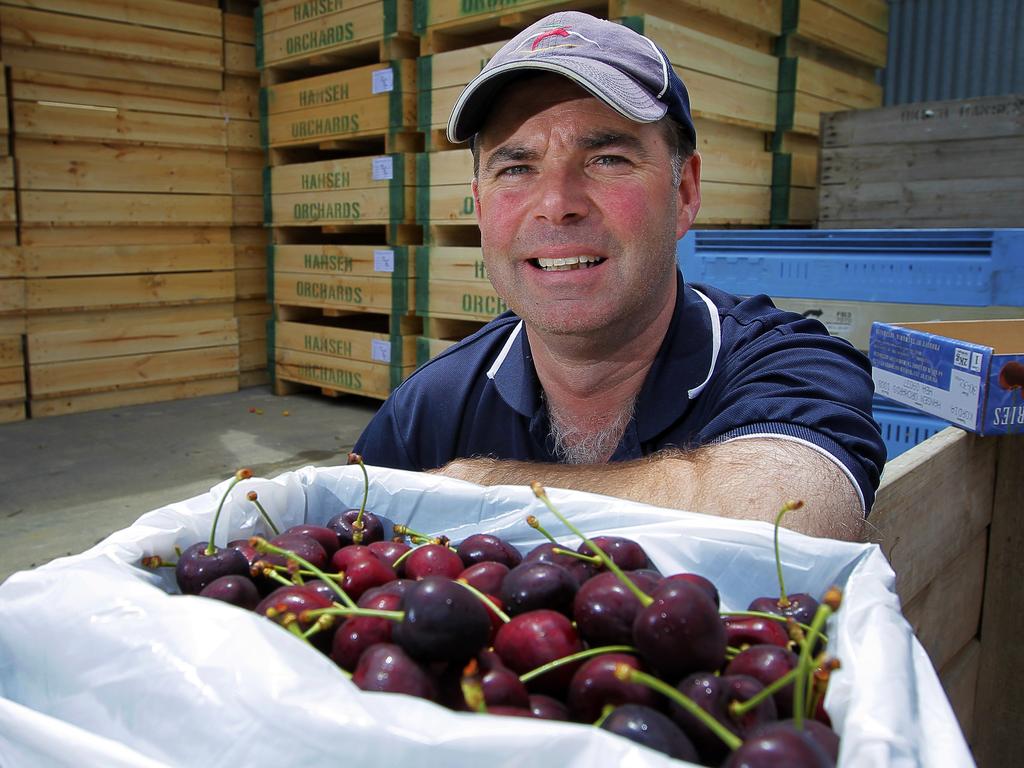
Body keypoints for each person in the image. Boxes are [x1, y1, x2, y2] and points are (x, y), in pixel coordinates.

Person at [354, 11, 886, 541]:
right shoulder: (429, 408)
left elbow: (789, 517)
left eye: (607, 159)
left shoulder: (786, 365)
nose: (557, 204)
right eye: (516, 168)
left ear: (684, 193)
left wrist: (478, 486)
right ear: (478, 205)